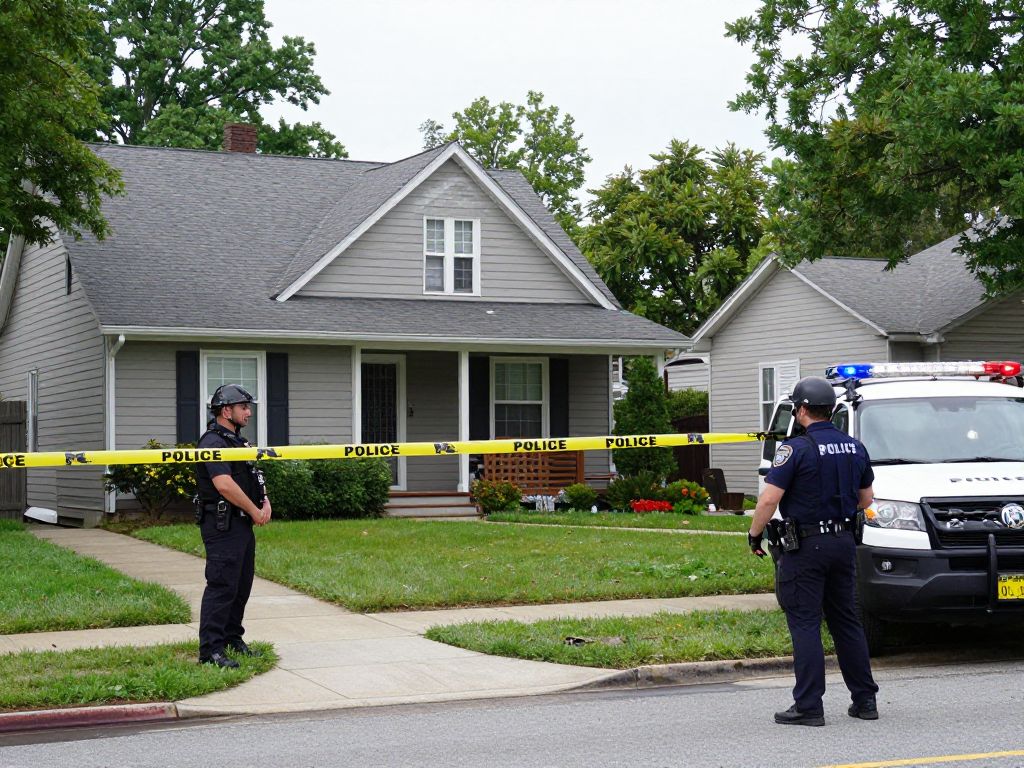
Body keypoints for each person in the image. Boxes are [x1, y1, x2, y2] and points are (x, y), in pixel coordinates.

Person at [748, 376, 879, 726]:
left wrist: (754, 534)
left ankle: (809, 706)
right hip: (843, 543)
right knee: (846, 621)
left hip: (806, 546)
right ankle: (865, 701)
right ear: (831, 410)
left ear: (802, 410)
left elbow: (769, 500)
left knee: (805, 622)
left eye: (796, 408)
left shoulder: (796, 449)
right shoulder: (854, 447)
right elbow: (866, 499)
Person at [195, 383, 271, 668]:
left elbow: (252, 475)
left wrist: (264, 501)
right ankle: (211, 651)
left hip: (241, 523)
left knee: (241, 584)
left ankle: (231, 638)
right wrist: (253, 510)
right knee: (222, 585)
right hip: (222, 523)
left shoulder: (237, 442)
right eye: (243, 407)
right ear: (226, 411)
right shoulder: (212, 442)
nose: (248, 412)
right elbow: (224, 485)